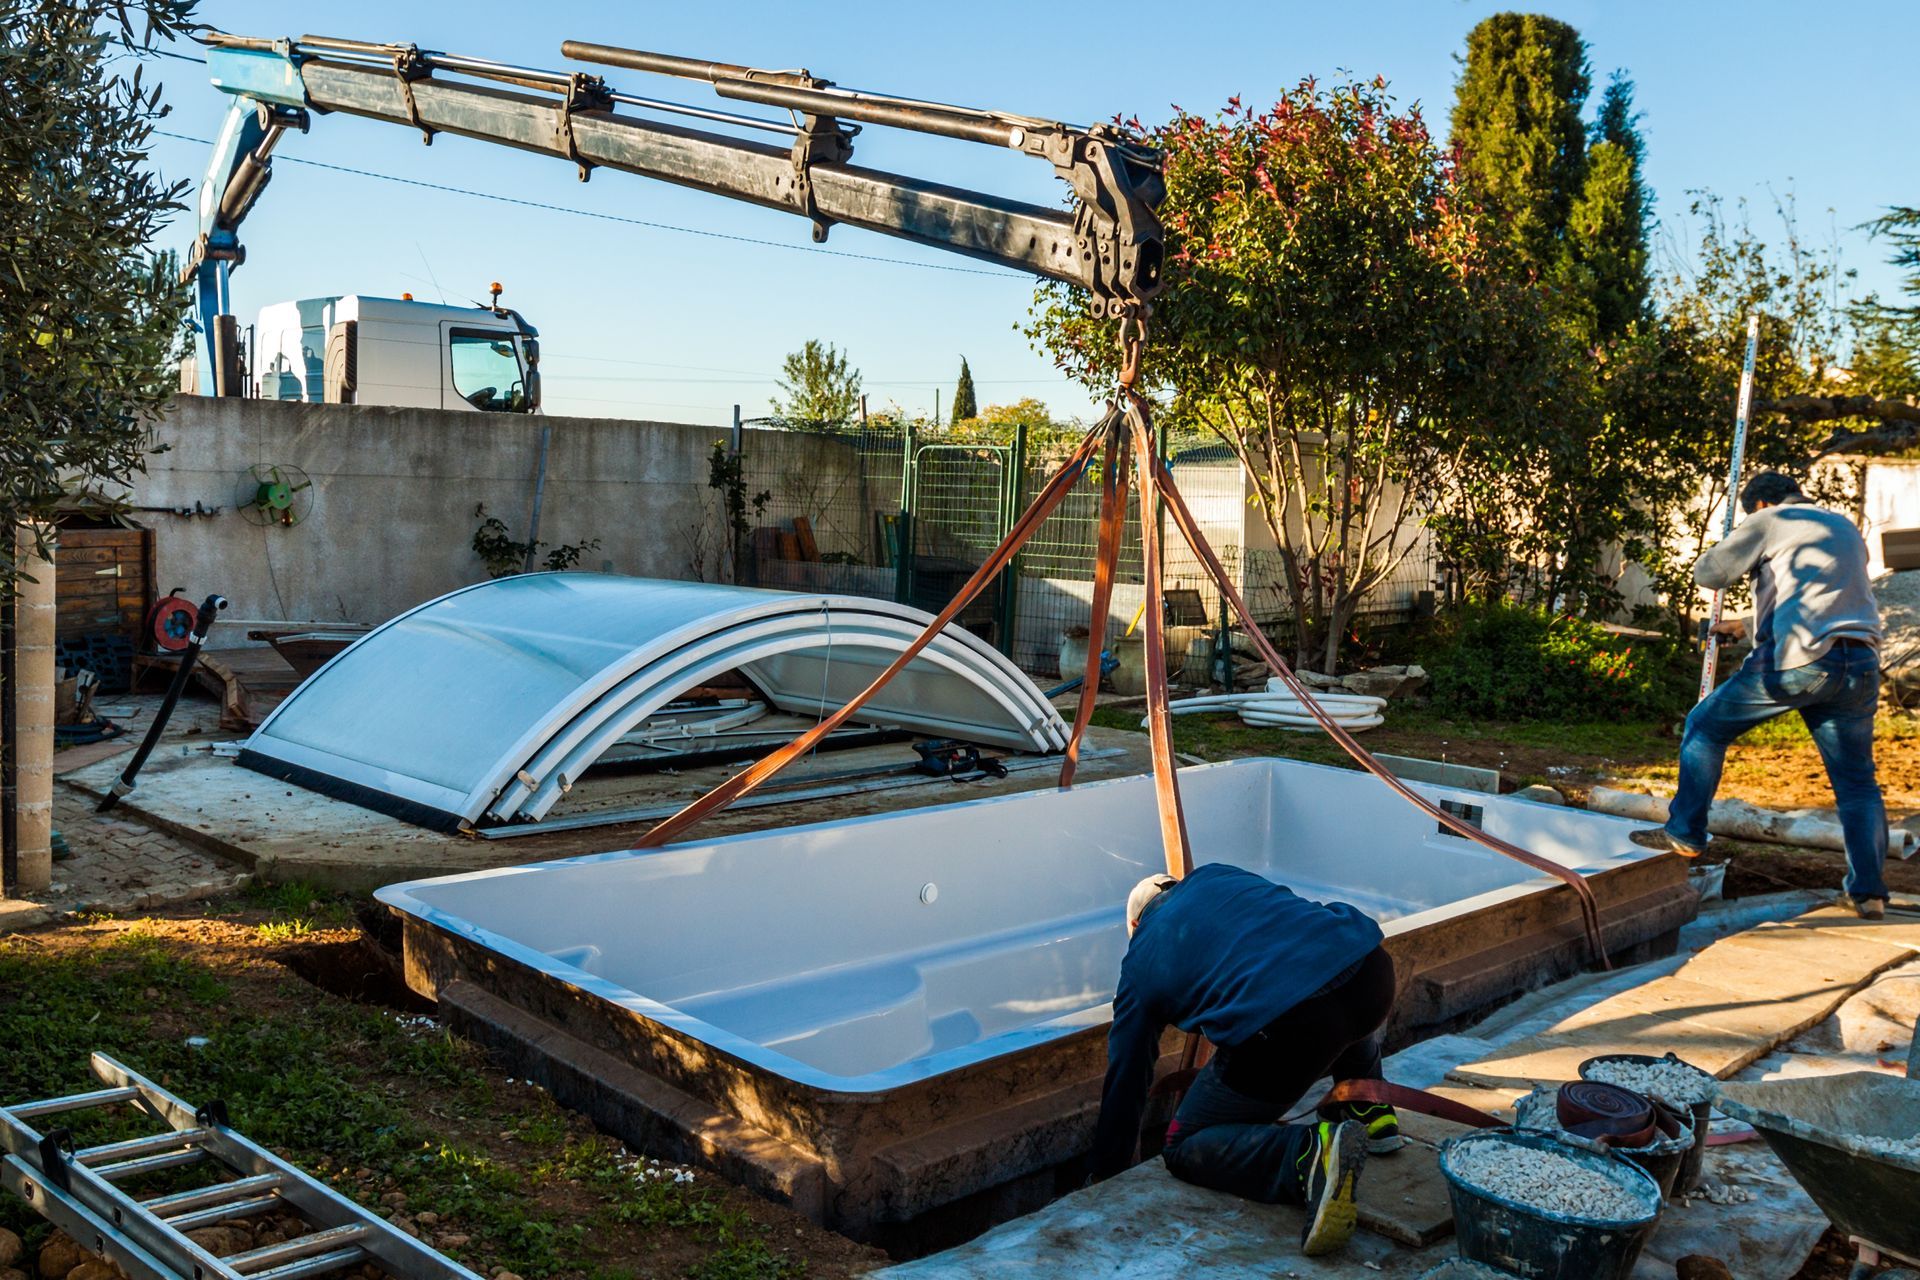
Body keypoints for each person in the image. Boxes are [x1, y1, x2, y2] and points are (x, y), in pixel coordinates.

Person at [1089, 863, 1399, 1257]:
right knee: (1322, 969)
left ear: (1135, 923)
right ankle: (1369, 1110)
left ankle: (1305, 1156)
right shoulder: (1215, 875)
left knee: (1183, 1144)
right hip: (1371, 971)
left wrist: (1107, 1171)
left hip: (1294, 1027)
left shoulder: (1140, 958)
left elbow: (1128, 1071)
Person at [1632, 471, 1889, 917]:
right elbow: (1818, 598)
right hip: (1860, 664)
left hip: (1801, 661)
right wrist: (1746, 626)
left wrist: (1740, 537)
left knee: (1704, 728)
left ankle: (1685, 833)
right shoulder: (1842, 527)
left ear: (1761, 504)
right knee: (1857, 783)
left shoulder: (1770, 519)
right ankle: (1868, 893)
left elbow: (1709, 574)